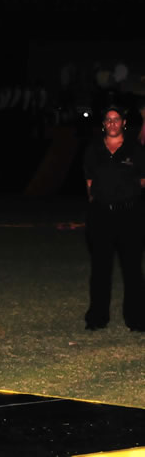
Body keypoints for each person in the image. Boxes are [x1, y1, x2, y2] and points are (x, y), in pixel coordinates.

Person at [83, 104, 145, 332]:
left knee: (132, 269)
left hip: (130, 215)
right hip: (101, 215)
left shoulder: (135, 149)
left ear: (124, 123)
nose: (112, 123)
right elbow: (89, 182)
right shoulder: (93, 150)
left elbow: (143, 180)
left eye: (116, 119)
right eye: (108, 120)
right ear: (103, 124)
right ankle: (97, 318)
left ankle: (137, 318)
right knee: (100, 269)